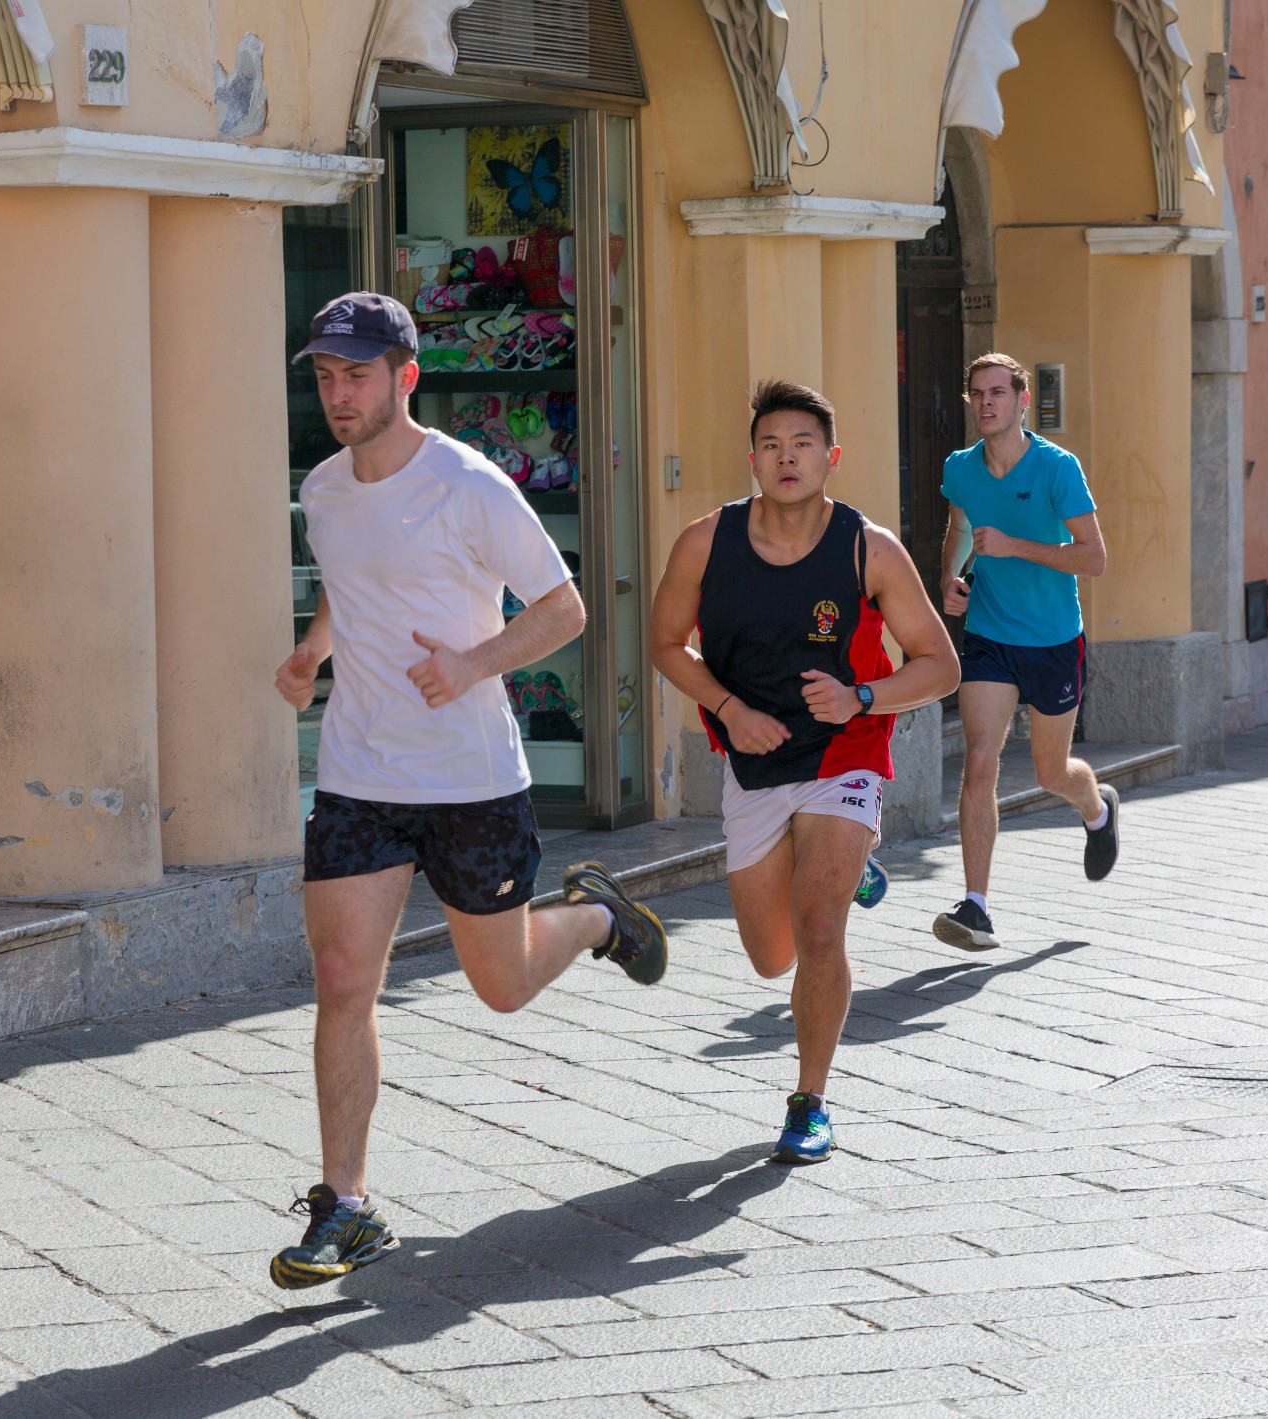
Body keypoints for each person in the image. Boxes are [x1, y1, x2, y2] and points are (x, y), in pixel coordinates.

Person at [271, 293, 668, 1288]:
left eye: (355, 375)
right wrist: (314, 651)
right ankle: (346, 1206)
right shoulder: (321, 489)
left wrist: (472, 661)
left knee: (499, 986)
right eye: (324, 375)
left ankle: (588, 919)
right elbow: (348, 580)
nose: (337, 393)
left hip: (470, 779)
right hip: (360, 773)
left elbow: (563, 607)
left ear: (405, 378)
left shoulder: (468, 485)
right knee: (339, 977)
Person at [650, 379, 960, 1164]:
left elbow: (941, 666)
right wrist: (726, 707)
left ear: (831, 457)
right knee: (771, 955)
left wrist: (862, 696)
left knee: (820, 930)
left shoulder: (868, 548)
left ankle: (809, 1100)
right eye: (771, 446)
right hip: (753, 764)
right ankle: (846, 865)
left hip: (844, 755)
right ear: (752, 458)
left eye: (803, 445)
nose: (787, 459)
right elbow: (663, 643)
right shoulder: (704, 542)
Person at [934, 353, 1117, 953]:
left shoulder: (1057, 469)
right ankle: (977, 906)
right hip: (989, 636)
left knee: (1048, 771)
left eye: (996, 393)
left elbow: (1094, 558)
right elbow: (959, 527)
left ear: (1021, 400)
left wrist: (1016, 546)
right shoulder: (960, 469)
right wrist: (950, 579)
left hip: (1054, 639)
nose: (986, 403)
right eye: (977, 394)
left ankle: (1096, 808)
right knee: (980, 758)